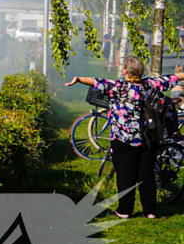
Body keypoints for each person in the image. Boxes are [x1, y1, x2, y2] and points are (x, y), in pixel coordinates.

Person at [65, 57, 179, 219]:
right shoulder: (150, 84)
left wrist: (78, 79)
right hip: (147, 139)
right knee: (146, 175)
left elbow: (96, 81)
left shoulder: (117, 87)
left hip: (123, 139)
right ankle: (151, 212)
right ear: (140, 71)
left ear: (125, 71)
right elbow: (173, 78)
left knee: (125, 175)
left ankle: (124, 211)